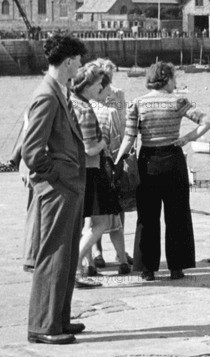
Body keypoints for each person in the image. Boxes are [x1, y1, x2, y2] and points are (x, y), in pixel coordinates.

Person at [115, 61, 210, 281]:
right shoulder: (178, 101)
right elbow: (207, 121)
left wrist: (117, 161)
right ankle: (176, 267)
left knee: (147, 217)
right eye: (174, 79)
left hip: (148, 161)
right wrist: (187, 138)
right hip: (173, 158)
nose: (176, 82)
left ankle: (147, 269)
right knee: (177, 215)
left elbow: (129, 138)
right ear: (167, 79)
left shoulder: (137, 103)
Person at [21, 34, 88, 345]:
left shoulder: (58, 91)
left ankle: (58, 318)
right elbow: (31, 151)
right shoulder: (47, 95)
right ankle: (44, 325)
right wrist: (57, 175)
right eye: (79, 61)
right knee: (53, 257)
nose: (81, 66)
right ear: (70, 61)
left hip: (68, 187)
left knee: (67, 257)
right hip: (58, 189)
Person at [70, 64, 123, 288]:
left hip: (79, 171)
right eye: (98, 84)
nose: (101, 87)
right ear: (89, 85)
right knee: (100, 224)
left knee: (87, 225)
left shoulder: (72, 102)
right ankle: (74, 269)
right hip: (92, 169)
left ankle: (79, 268)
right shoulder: (84, 109)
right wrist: (104, 142)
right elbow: (90, 148)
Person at [87, 58, 132, 269]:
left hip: (109, 154)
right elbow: (121, 127)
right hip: (107, 153)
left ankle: (109, 252)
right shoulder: (103, 97)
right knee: (105, 208)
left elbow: (122, 125)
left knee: (108, 207)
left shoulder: (115, 95)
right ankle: (106, 253)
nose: (110, 80)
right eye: (108, 76)